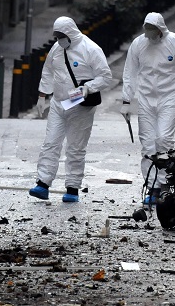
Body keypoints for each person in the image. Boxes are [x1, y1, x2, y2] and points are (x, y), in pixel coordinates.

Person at [29, 16, 114, 203]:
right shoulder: (57, 49)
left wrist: (88, 87)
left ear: (71, 33)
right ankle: (43, 183)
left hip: (79, 104)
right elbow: (48, 70)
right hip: (59, 103)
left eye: (62, 35)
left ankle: (72, 188)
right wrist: (43, 95)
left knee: (75, 147)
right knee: (50, 143)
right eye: (57, 36)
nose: (59, 39)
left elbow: (106, 77)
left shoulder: (91, 49)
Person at [121, 12, 175, 205]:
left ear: (160, 30)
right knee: (148, 144)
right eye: (146, 30)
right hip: (146, 98)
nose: (148, 34)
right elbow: (129, 73)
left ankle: (165, 185)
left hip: (169, 98)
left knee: (163, 140)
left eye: (152, 30)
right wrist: (126, 100)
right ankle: (152, 188)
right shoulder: (138, 45)